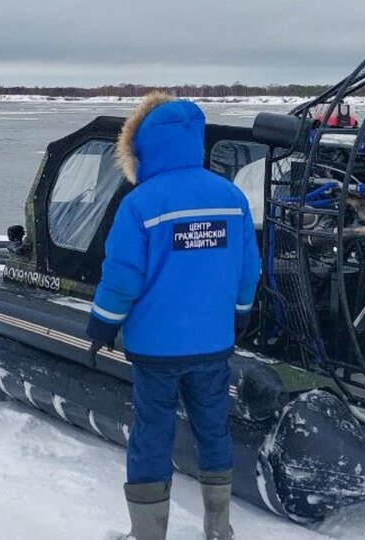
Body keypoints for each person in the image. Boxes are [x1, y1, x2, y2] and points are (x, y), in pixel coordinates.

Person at [86, 92, 260, 540]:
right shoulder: (231, 198)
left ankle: (148, 535)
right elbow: (248, 269)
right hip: (213, 343)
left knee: (151, 434)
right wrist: (240, 312)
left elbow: (123, 276)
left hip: (155, 349)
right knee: (213, 430)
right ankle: (219, 528)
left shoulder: (140, 204)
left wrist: (103, 323)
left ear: (142, 148)